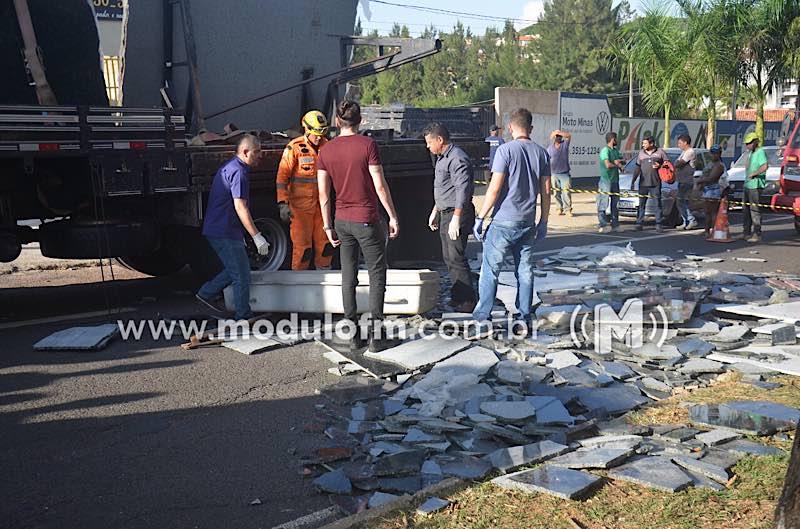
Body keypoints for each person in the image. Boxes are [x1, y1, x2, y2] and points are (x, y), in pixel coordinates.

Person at [317, 100, 401, 352]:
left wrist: (327, 226)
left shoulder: (326, 150)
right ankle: (377, 337)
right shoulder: (368, 145)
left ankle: (353, 335)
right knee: (376, 274)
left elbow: (323, 194)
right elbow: (379, 185)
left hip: (341, 221)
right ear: (360, 120)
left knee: (348, 275)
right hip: (366, 218)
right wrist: (393, 216)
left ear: (337, 121)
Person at [472, 108, 551, 328]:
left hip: (503, 221)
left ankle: (483, 317)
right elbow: (546, 191)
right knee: (524, 271)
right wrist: (543, 221)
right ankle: (524, 315)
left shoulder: (505, 151)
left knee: (490, 270)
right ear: (531, 128)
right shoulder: (542, 153)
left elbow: (495, 189)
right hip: (527, 222)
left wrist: (481, 217)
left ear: (509, 127)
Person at [196, 134, 270, 321]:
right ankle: (243, 315)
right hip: (224, 230)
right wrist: (256, 236)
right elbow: (240, 206)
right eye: (257, 152)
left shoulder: (232, 167)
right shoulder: (239, 172)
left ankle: (205, 293)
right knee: (242, 274)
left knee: (235, 269)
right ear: (245, 152)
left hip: (219, 228)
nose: (260, 156)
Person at [424, 122, 477, 313]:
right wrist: (435, 211)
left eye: (430, 142)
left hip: (457, 213)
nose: (428, 146)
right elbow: (444, 189)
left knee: (456, 257)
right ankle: (457, 297)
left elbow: (462, 190)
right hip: (445, 212)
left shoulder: (457, 158)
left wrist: (456, 217)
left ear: (440, 140)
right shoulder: (441, 159)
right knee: (448, 257)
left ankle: (468, 301)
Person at [276, 110, 333, 270]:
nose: (319, 138)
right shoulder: (294, 148)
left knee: (325, 246)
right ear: (306, 129)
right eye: (316, 134)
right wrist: (282, 203)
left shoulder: (328, 147)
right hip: (300, 209)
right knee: (303, 248)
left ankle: (324, 274)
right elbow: (282, 178)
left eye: (322, 133)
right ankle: (299, 279)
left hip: (322, 206)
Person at [630, 136, 668, 232]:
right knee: (641, 204)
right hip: (643, 184)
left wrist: (660, 165)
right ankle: (639, 223)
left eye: (645, 143)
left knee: (657, 204)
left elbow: (668, 165)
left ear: (651, 144)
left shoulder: (660, 152)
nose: (643, 145)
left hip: (655, 183)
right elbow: (637, 168)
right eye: (643, 143)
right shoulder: (641, 153)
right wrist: (633, 181)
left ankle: (658, 224)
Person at [693, 144, 726, 239]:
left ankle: (713, 231)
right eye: (712, 153)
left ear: (719, 154)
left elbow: (712, 178)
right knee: (707, 212)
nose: (714, 155)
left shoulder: (719, 165)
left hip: (714, 190)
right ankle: (707, 230)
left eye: (716, 153)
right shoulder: (710, 164)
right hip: (707, 190)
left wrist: (700, 181)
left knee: (713, 212)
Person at [742, 131, 767, 243]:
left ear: (755, 142)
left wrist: (755, 174)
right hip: (748, 184)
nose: (747, 145)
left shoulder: (760, 152)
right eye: (746, 144)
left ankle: (757, 233)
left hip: (755, 185)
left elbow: (765, 166)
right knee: (745, 210)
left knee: (754, 210)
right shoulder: (750, 153)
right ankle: (746, 232)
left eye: (749, 143)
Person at [597, 132, 625, 233]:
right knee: (603, 203)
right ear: (613, 139)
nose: (617, 141)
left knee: (615, 204)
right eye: (616, 139)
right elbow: (608, 165)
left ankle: (615, 225)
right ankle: (603, 225)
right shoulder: (605, 151)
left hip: (615, 180)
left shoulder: (615, 151)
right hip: (606, 181)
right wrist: (617, 165)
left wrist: (621, 163)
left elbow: (621, 160)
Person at [674, 133, 699, 230]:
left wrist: (676, 163)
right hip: (681, 180)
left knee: (681, 201)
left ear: (685, 142)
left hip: (687, 181)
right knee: (680, 202)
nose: (679, 145)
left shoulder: (690, 152)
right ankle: (686, 221)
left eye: (680, 143)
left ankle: (691, 220)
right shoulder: (683, 152)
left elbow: (679, 163)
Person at [547, 129, 572, 216]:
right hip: (554, 173)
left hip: (564, 173)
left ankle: (567, 209)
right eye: (557, 136)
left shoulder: (564, 145)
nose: (558, 137)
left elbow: (569, 136)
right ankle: (559, 208)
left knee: (566, 192)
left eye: (560, 136)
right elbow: (548, 160)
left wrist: (559, 132)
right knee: (556, 193)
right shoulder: (550, 148)